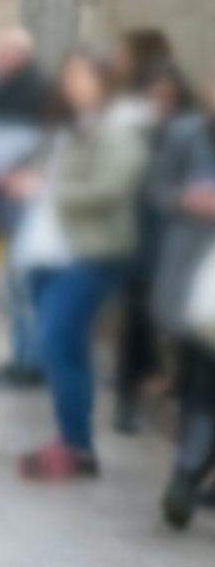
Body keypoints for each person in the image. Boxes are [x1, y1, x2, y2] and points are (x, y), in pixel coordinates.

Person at [9, 49, 153, 479]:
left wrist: (45, 189)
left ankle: (77, 444)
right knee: (62, 348)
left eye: (82, 76)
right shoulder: (71, 127)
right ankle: (72, 440)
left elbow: (110, 188)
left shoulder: (120, 129)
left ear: (104, 81)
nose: (72, 84)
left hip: (88, 254)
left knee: (59, 342)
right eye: (68, 75)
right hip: (50, 252)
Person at [146, 81, 215, 526]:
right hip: (194, 277)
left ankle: (186, 475)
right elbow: (155, 187)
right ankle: (186, 474)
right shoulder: (185, 134)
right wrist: (182, 199)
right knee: (199, 378)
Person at [114, 62, 194, 434]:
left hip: (183, 243)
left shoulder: (186, 134)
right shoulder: (133, 131)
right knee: (138, 320)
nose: (161, 104)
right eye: (155, 96)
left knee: (183, 325)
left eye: (168, 97)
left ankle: (174, 387)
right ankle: (126, 398)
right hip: (141, 239)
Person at [0, 27, 53, 384]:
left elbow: (39, 151)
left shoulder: (38, 93)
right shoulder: (2, 91)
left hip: (27, 206)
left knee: (23, 287)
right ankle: (21, 356)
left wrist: (7, 172)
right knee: (11, 285)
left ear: (17, 55)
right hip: (5, 204)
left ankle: (32, 362)